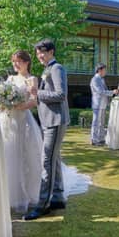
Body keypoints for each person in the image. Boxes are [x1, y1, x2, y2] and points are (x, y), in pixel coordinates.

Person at [0, 50, 90, 213]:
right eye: (13, 61)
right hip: (9, 121)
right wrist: (3, 103)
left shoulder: (32, 79)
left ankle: (36, 195)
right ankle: (10, 194)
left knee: (32, 157)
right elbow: (3, 98)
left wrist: (19, 106)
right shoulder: (10, 79)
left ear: (26, 62)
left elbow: (34, 100)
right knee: (9, 156)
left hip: (24, 120)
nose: (15, 64)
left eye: (18, 61)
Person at [24, 40, 70, 220]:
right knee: (54, 158)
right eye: (37, 54)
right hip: (48, 120)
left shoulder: (57, 68)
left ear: (51, 52)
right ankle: (58, 196)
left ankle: (43, 205)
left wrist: (37, 94)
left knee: (47, 162)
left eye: (42, 53)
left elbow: (61, 94)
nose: (39, 56)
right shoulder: (47, 69)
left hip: (55, 120)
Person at [90, 63, 117, 145]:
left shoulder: (102, 79)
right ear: (100, 70)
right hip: (97, 104)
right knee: (96, 122)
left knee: (101, 123)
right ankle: (94, 140)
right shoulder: (95, 79)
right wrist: (112, 92)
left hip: (103, 104)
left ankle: (101, 139)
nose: (105, 72)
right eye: (104, 70)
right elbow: (100, 91)